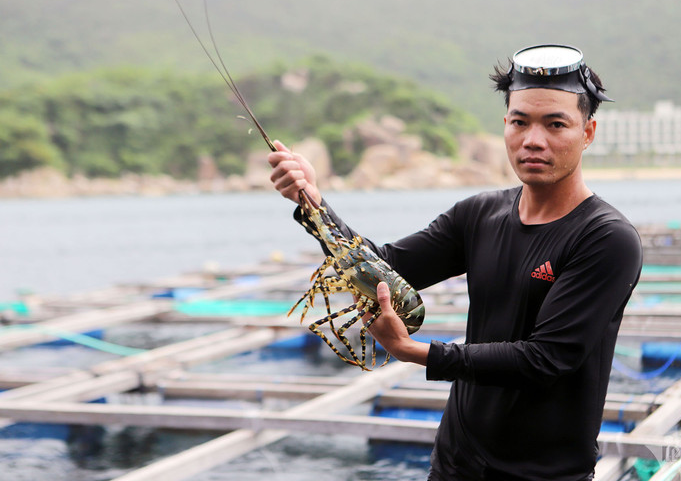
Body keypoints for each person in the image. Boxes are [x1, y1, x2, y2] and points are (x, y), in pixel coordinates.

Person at [268, 44, 643, 481]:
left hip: (543, 474)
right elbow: (385, 265)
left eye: (555, 124)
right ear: (505, 125)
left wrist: (414, 352)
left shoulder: (606, 238)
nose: (533, 139)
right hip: (454, 466)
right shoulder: (480, 215)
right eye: (520, 122)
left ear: (588, 132)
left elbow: (545, 359)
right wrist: (313, 204)